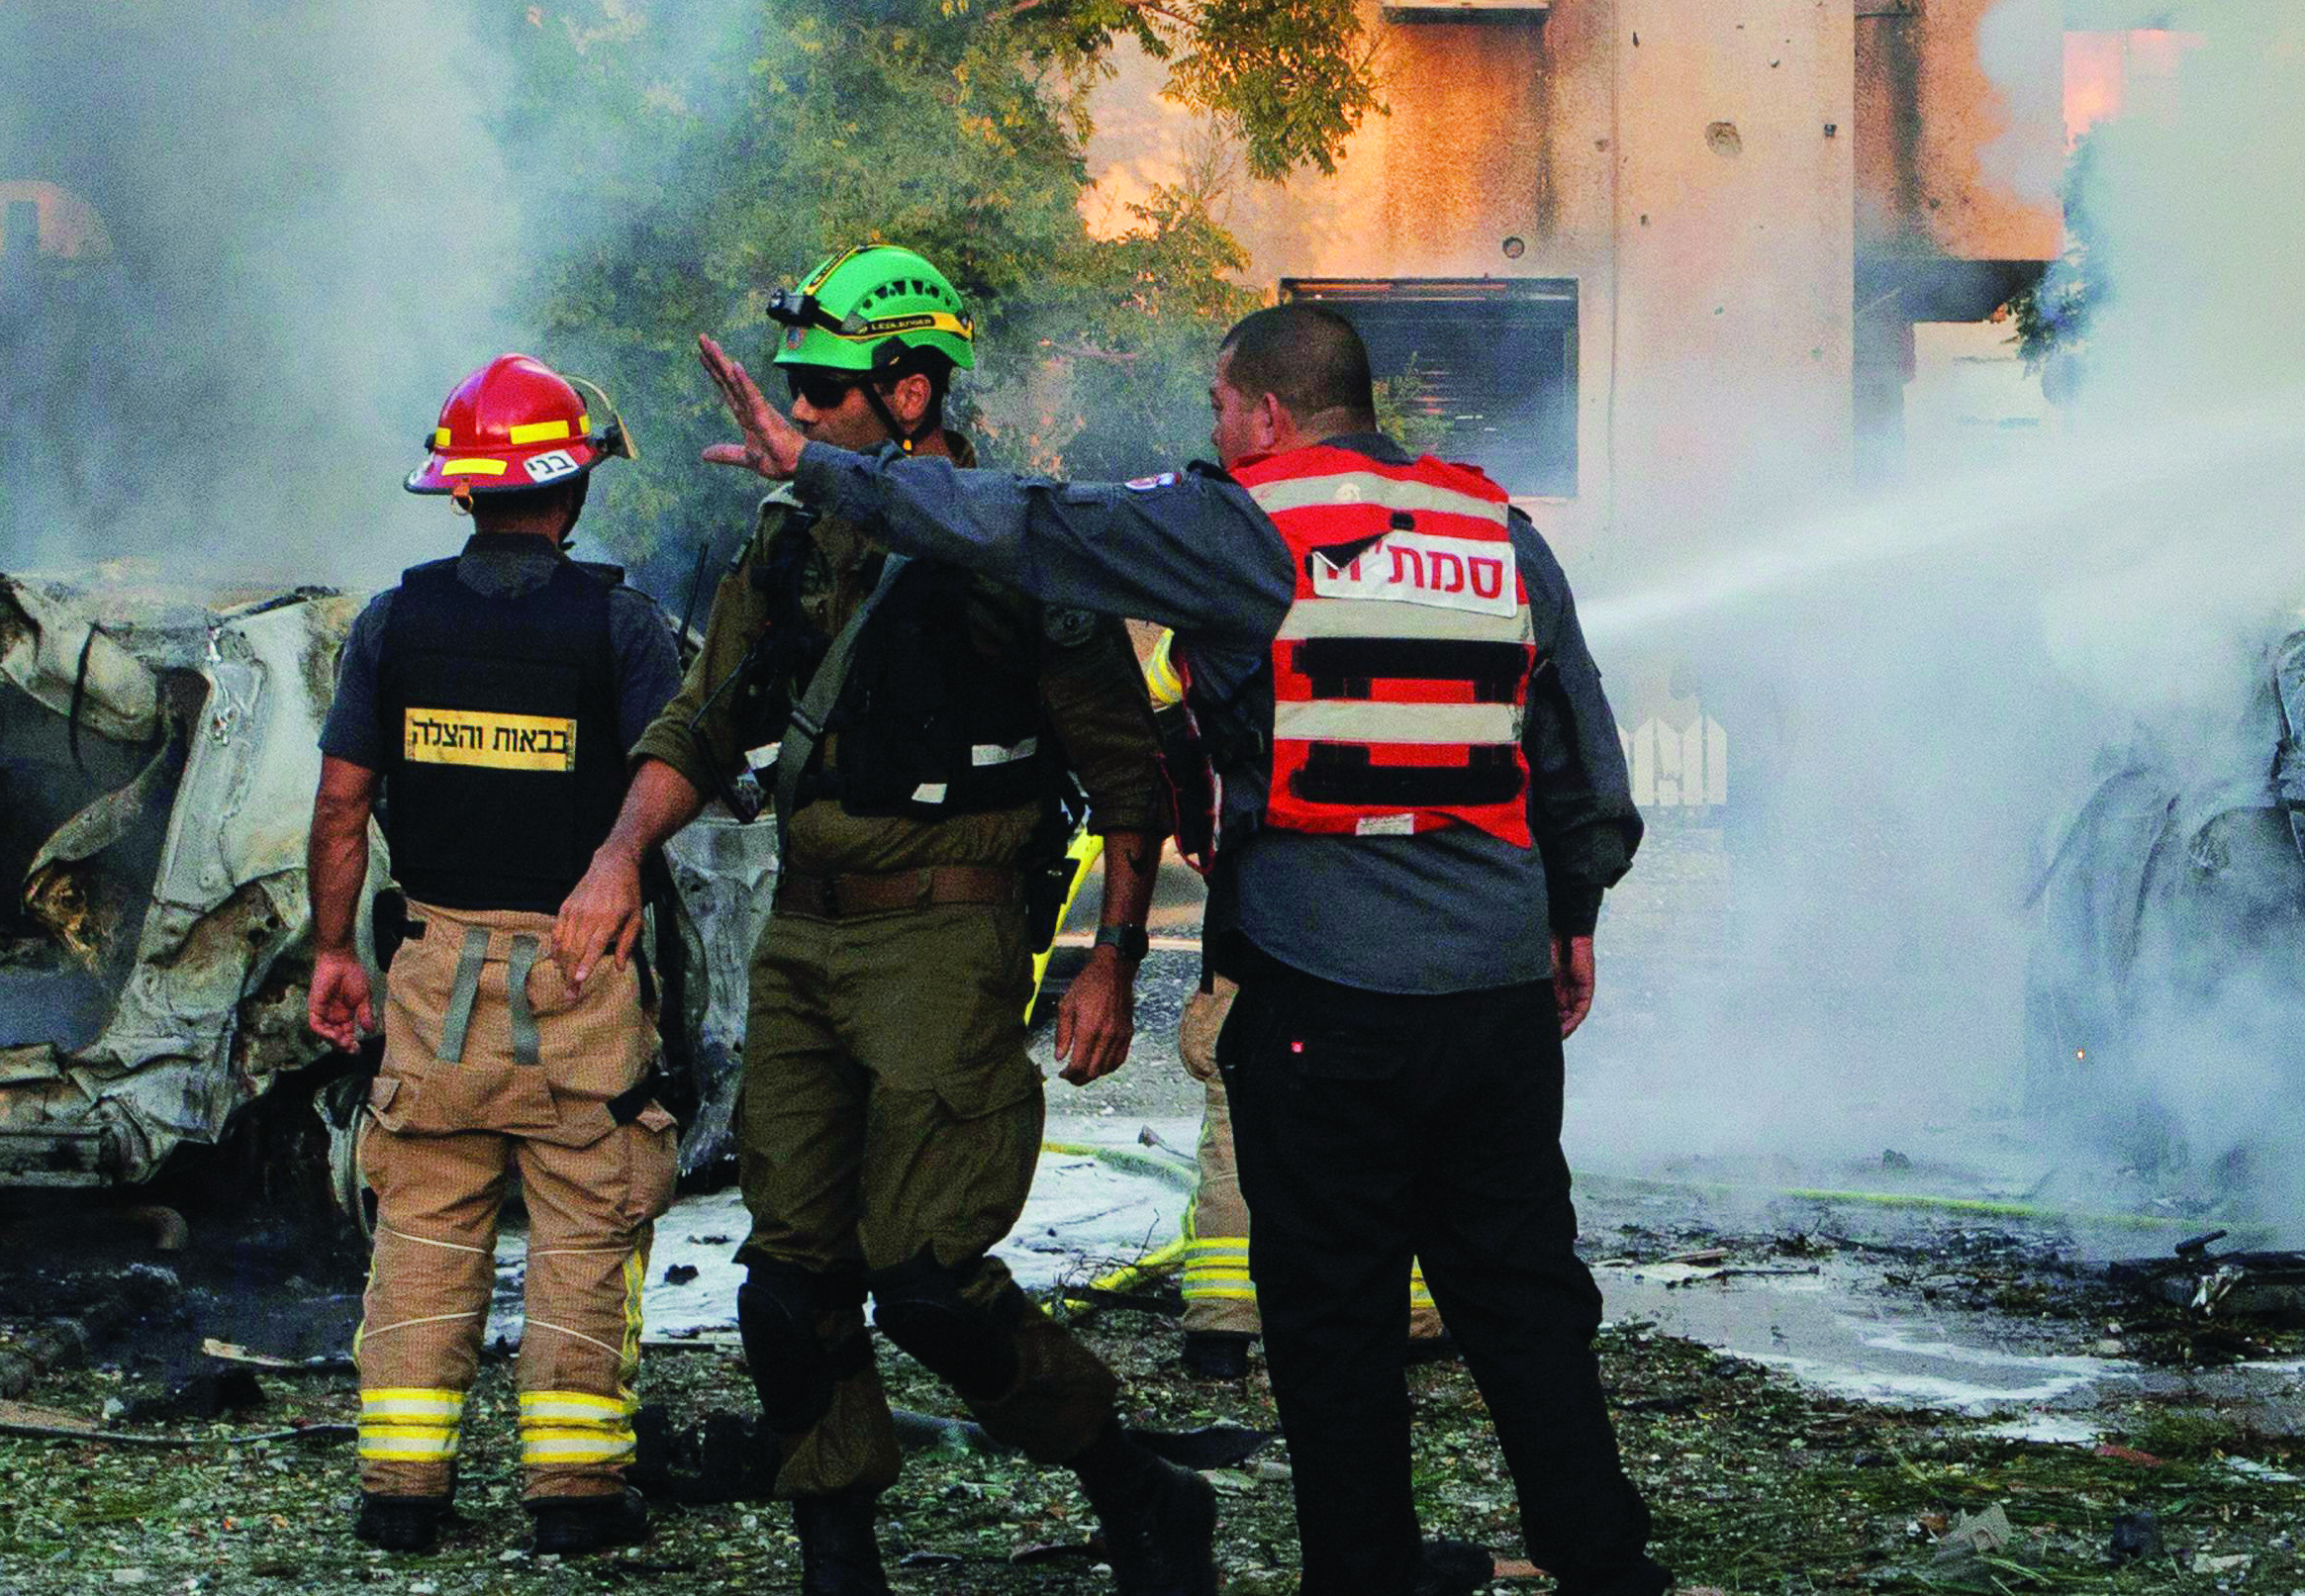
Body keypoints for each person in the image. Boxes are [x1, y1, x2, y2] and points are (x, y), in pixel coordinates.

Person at [687, 300, 1675, 1596]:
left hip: (1322, 989)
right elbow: (1579, 759)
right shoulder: (1499, 529)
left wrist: (818, 465)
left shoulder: (1242, 526)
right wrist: (1574, 918)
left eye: (1218, 407)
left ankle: (1362, 1576)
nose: (1213, 429)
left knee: (1333, 1316)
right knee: (1526, 1301)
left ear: (1262, 408)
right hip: (1492, 994)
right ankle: (1607, 1569)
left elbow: (1028, 523)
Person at [545, 247, 1205, 1596]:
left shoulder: (1026, 542)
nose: (794, 410)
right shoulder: (785, 539)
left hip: (949, 935)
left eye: (825, 389)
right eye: (792, 384)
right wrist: (617, 858)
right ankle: (837, 1553)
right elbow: (704, 715)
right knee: (787, 1287)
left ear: (912, 390)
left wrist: (1110, 963)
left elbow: (1130, 778)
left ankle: (1133, 1486)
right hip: (807, 934)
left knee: (922, 1279)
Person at [305, 355, 684, 1557]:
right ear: (571, 493)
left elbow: (338, 808)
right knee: (586, 1217)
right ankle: (574, 1498)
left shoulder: (393, 620)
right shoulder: (624, 627)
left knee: (423, 1221)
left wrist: (333, 951)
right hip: (583, 970)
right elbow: (680, 784)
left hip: (433, 970)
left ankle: (402, 1493)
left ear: (463, 493)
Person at [1142, 634, 1445, 1388]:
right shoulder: (1382, 637)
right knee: (1389, 1115)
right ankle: (1406, 1318)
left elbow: (1181, 778)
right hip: (1382, 910)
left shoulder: (1203, 643)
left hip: (1251, 916)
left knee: (1239, 1121)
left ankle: (1224, 1328)